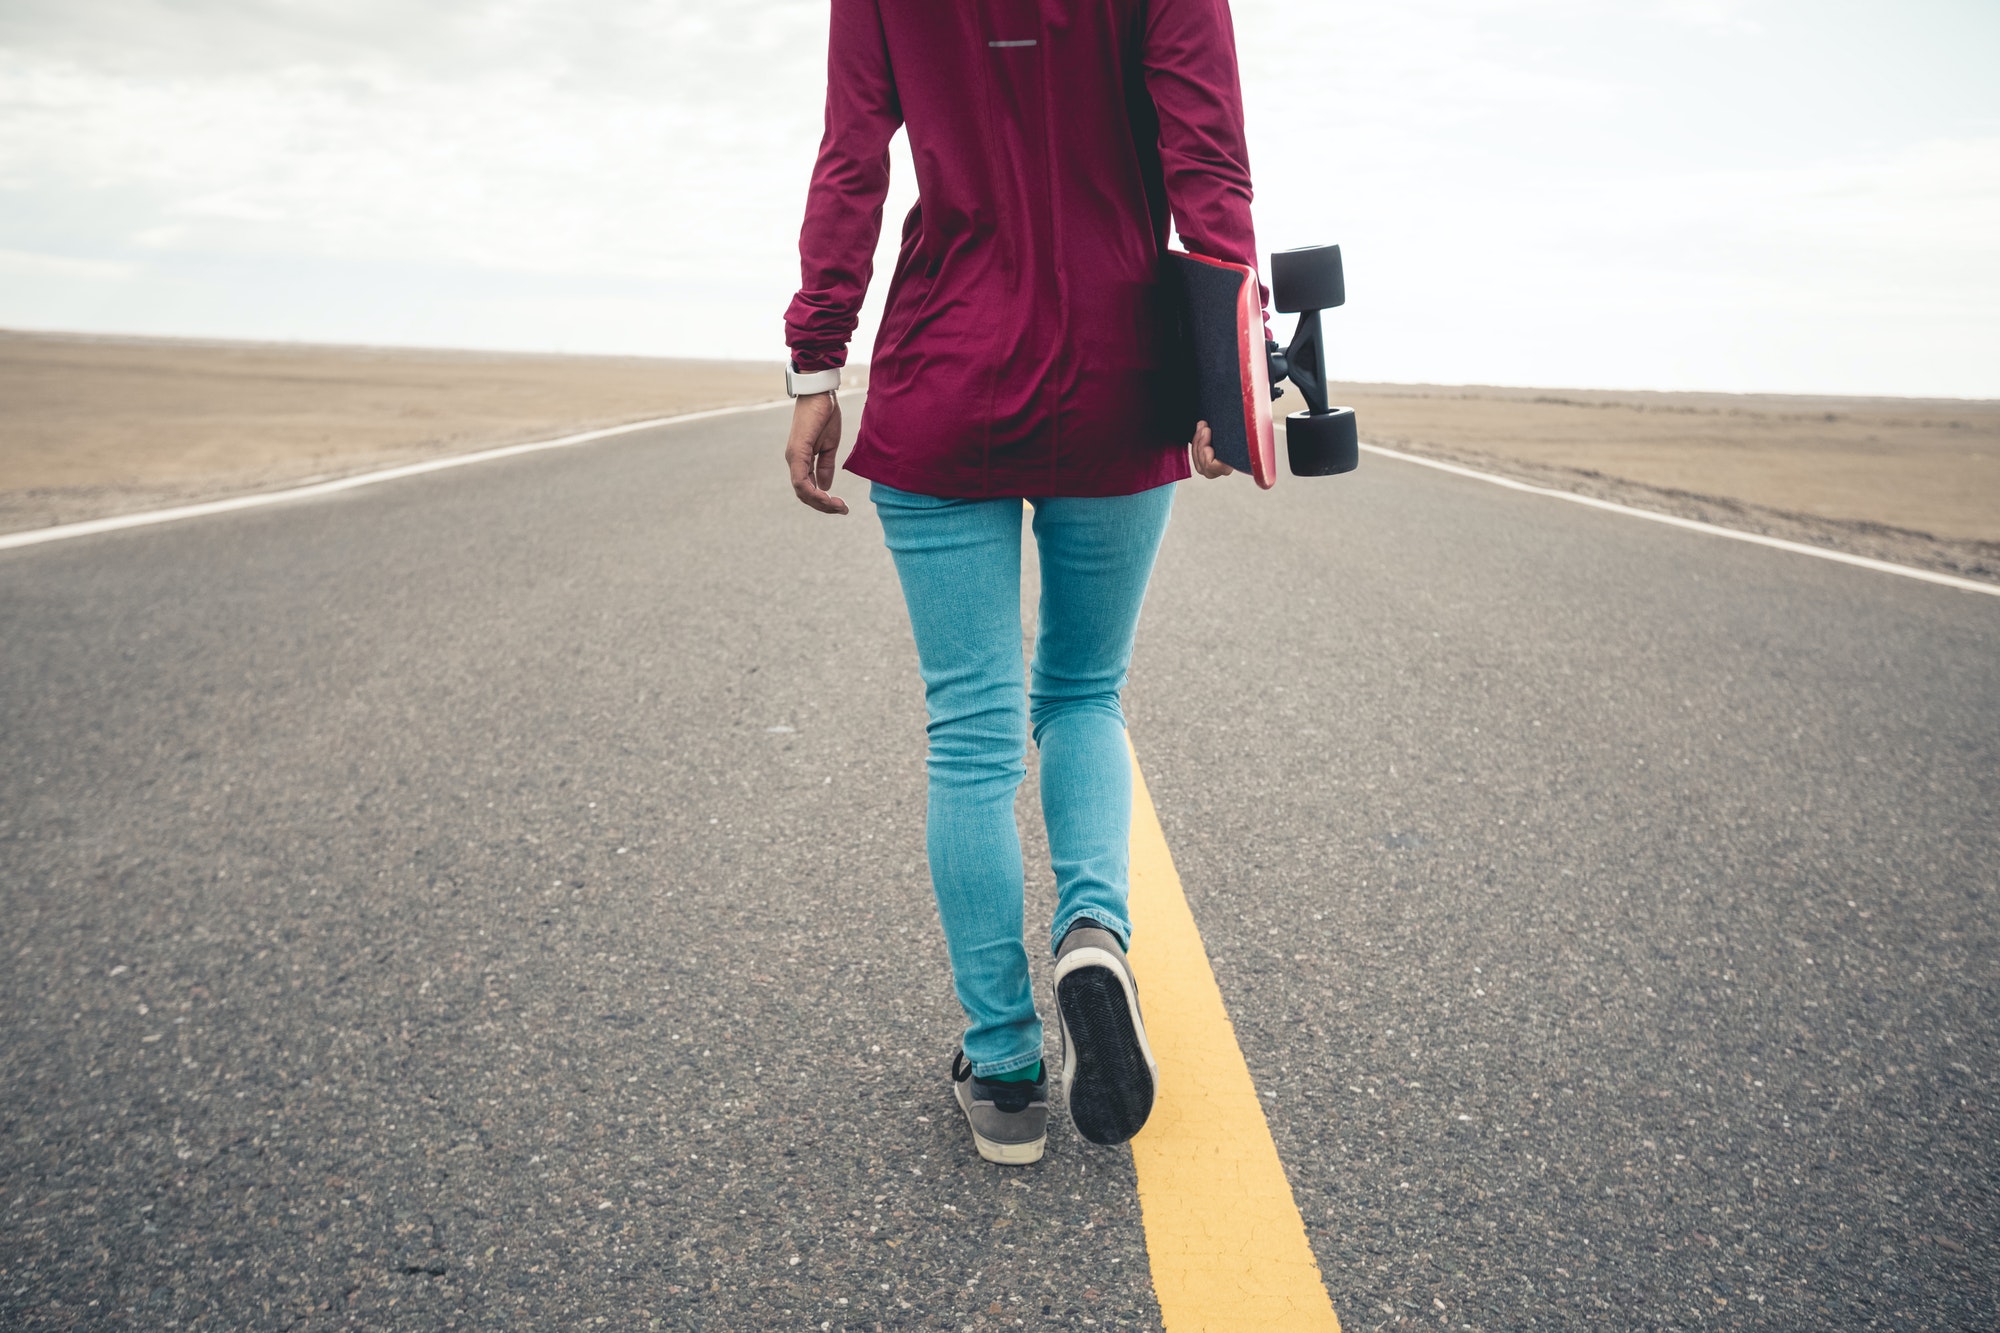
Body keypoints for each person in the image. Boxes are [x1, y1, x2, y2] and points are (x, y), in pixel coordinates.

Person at [781, 0, 1262, 1165]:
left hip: (945, 377)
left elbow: (852, 158)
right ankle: (1092, 932)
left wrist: (815, 359)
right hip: (1120, 374)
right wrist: (1223, 377)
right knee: (1085, 693)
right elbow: (1207, 163)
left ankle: (1002, 1072)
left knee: (971, 734)